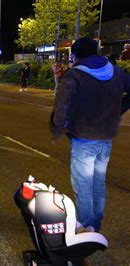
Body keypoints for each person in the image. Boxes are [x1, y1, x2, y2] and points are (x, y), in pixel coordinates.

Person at [50, 37, 130, 232]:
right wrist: (117, 110)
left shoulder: (75, 75)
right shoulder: (116, 72)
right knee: (97, 183)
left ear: (76, 55)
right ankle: (96, 223)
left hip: (83, 138)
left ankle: (85, 226)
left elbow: (61, 105)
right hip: (105, 138)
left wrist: (58, 126)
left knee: (83, 186)